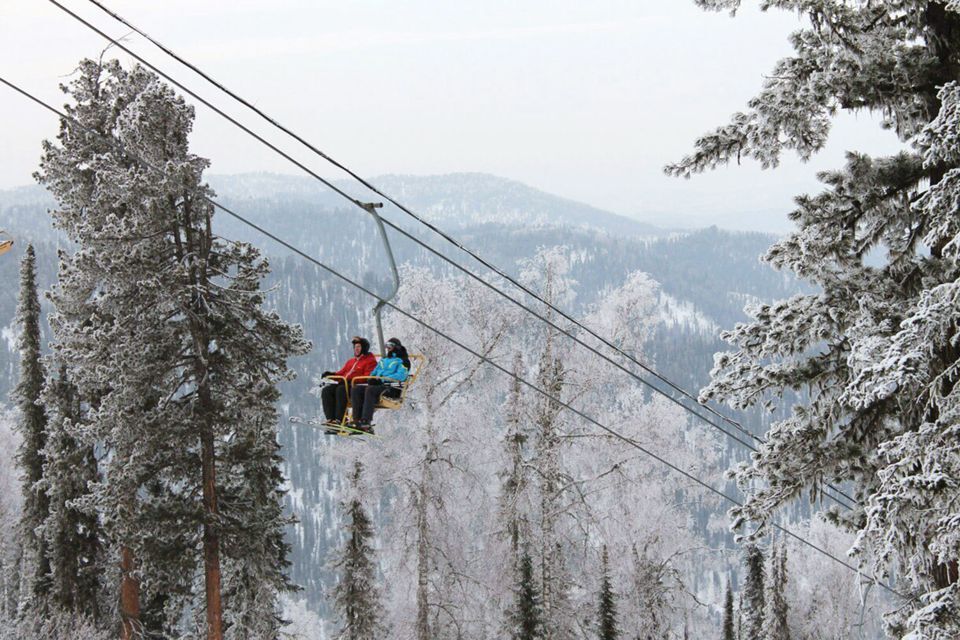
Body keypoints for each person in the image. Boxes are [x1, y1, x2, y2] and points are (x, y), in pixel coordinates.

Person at [349, 337, 410, 432]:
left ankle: (366, 421)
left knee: (370, 390)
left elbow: (400, 376)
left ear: (396, 347)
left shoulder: (403, 361)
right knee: (356, 389)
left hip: (392, 388)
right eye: (387, 346)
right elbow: (374, 371)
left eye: (390, 346)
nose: (388, 348)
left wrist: (381, 379)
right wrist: (372, 379)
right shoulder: (384, 360)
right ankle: (356, 420)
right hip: (379, 386)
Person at [321, 336, 377, 426]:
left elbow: (368, 376)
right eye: (355, 347)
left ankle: (340, 419)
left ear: (364, 348)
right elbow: (341, 374)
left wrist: (352, 380)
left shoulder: (370, 361)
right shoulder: (351, 361)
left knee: (341, 390)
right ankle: (331, 419)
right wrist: (331, 375)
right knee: (327, 390)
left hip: (357, 386)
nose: (356, 349)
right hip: (346, 384)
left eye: (359, 347)